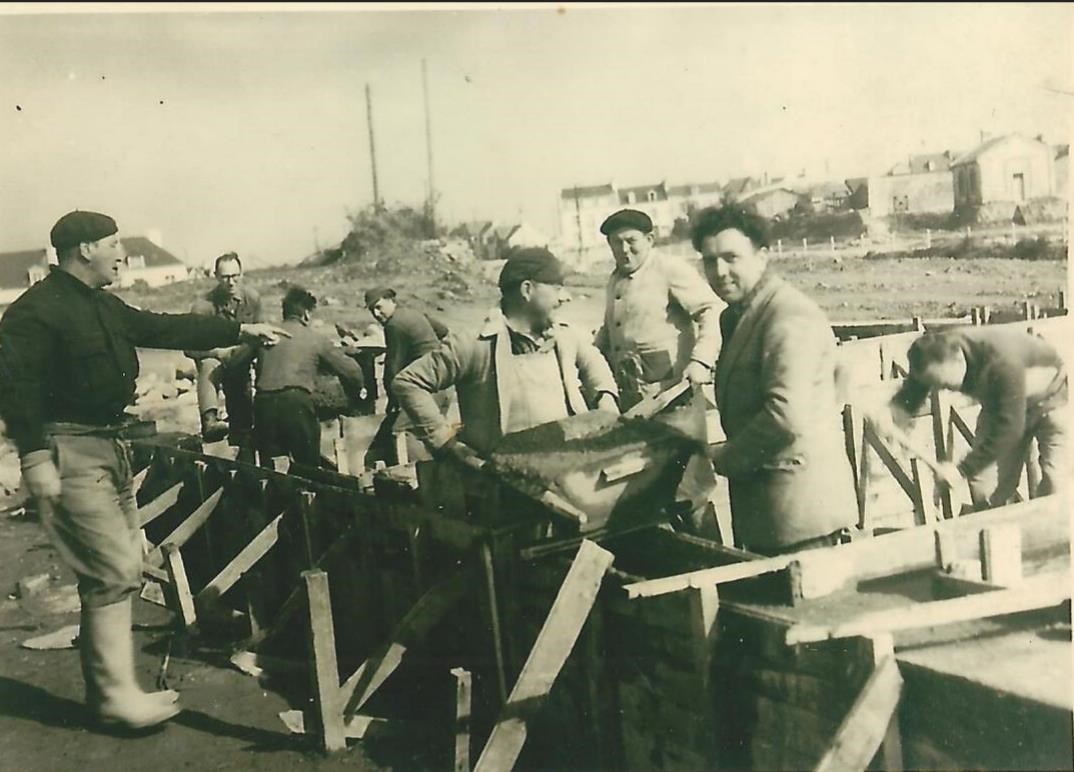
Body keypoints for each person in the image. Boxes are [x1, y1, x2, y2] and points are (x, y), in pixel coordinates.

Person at [0, 210, 287, 731]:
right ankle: (115, 699)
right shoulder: (34, 313)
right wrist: (35, 458)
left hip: (110, 446)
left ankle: (112, 693)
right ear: (85, 249)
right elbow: (16, 389)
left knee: (119, 568)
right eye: (113, 244)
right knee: (111, 571)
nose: (121, 254)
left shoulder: (102, 304)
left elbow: (162, 326)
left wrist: (240, 327)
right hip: (69, 450)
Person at [693, 204, 857, 556]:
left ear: (762, 257)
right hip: (766, 508)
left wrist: (726, 457)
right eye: (709, 261)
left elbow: (785, 416)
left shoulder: (788, 317)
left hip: (800, 515)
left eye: (731, 258)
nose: (719, 272)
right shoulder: (736, 317)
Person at [391, 247, 619, 458]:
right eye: (557, 288)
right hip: (505, 474)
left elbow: (593, 361)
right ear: (527, 290)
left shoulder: (564, 334)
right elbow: (408, 382)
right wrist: (446, 442)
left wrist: (605, 399)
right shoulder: (474, 343)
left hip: (566, 462)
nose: (565, 297)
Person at [881, 327, 1067, 510]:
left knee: (1056, 484)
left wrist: (961, 470)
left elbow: (1010, 429)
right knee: (985, 491)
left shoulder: (1002, 363)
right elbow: (917, 385)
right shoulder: (935, 350)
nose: (942, 389)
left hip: (1051, 401)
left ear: (959, 360)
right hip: (1000, 404)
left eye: (945, 384)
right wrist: (896, 411)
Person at [594, 208, 722, 410]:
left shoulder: (669, 268)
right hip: (631, 396)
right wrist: (587, 357)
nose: (624, 249)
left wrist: (701, 361)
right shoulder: (615, 278)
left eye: (631, 241)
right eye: (616, 242)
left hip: (672, 395)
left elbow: (712, 310)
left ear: (649, 239)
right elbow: (609, 328)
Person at [252, 286, 366, 468]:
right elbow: (352, 371)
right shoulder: (315, 338)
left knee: (272, 469)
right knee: (308, 466)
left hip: (262, 403)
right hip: (295, 403)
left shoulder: (265, 335)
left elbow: (236, 360)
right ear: (306, 314)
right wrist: (358, 391)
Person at [363, 287, 450, 467]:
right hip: (444, 384)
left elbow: (392, 367)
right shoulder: (414, 313)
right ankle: (439, 470)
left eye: (379, 307)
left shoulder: (394, 325)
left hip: (426, 387)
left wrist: (393, 400)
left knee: (401, 431)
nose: (376, 314)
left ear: (391, 300)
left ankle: (414, 475)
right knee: (432, 431)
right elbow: (443, 331)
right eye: (372, 310)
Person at [186, 252, 263, 443]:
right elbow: (188, 347)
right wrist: (219, 353)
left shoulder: (252, 299)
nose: (231, 282)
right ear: (216, 276)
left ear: (242, 274)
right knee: (208, 364)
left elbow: (261, 334)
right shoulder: (204, 306)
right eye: (225, 277)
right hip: (216, 361)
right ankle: (210, 420)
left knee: (243, 427)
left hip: (241, 360)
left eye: (235, 276)